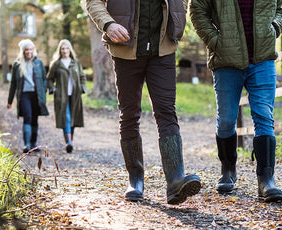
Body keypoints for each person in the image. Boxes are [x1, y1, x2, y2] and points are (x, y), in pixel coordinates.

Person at [86, 0, 201, 205]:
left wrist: (178, 17)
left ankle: (175, 181)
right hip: (126, 50)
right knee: (129, 114)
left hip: (162, 50)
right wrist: (108, 24)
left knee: (166, 111)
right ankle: (135, 179)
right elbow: (93, 2)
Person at [189, 0, 282, 202]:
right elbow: (197, 10)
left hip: (262, 59)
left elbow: (280, 7)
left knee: (264, 116)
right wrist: (216, 42)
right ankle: (228, 170)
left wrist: (273, 28)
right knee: (226, 119)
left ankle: (266, 179)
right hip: (226, 60)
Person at [7, 39, 49, 153]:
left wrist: (43, 92)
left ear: (33, 50)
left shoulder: (38, 63)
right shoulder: (17, 64)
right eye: (27, 50)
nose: (29, 52)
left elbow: (45, 80)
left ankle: (34, 144)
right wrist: (9, 100)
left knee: (35, 119)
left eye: (31, 49)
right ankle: (27, 145)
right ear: (23, 51)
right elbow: (13, 84)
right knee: (28, 117)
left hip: (36, 95)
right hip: (24, 95)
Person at [47, 39, 87, 153]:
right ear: (60, 50)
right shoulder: (56, 64)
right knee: (67, 118)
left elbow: (82, 77)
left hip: (75, 95)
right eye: (62, 49)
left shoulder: (76, 63)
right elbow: (49, 79)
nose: (65, 51)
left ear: (70, 50)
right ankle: (68, 142)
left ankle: (69, 142)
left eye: (67, 48)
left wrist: (83, 87)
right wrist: (53, 88)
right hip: (61, 96)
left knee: (73, 118)